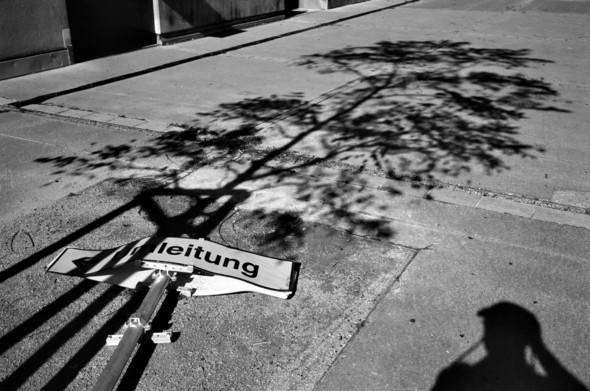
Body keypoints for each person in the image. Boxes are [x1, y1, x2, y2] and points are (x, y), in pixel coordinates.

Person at [432, 302, 587, 391]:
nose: (485, 336)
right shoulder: (538, 384)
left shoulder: (458, 379)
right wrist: (539, 348)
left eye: (489, 328)